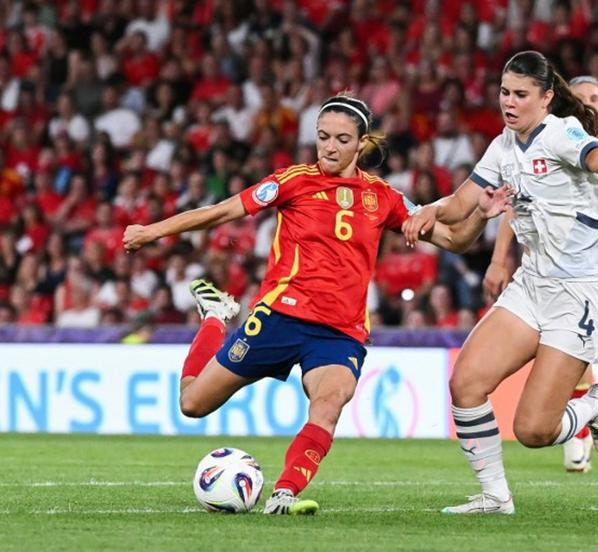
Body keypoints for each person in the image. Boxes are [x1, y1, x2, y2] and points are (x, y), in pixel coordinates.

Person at [122, 94, 510, 515]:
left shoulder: (384, 198)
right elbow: (221, 212)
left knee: (328, 406)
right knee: (192, 404)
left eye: (341, 139)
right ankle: (215, 318)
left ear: (361, 144)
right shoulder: (293, 181)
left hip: (339, 333)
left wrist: (480, 217)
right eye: (323, 137)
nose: (329, 147)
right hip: (279, 318)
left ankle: (284, 493)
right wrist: (150, 232)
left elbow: (454, 240)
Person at [403, 51, 598, 514]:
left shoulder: (562, 134)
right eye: (503, 92)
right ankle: (495, 497)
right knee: (466, 384)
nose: (509, 103)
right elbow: (459, 206)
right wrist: (423, 212)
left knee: (534, 431)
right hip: (532, 282)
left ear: (547, 97)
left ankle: (594, 403)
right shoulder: (502, 146)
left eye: (520, 94)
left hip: (579, 291)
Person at [482, 75, 598, 474]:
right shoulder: (545, 142)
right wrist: (499, 259)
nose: (590, 104)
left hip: (595, 268)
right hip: (543, 268)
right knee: (560, 348)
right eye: (581, 98)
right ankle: (591, 410)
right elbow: (516, 205)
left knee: (571, 347)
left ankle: (580, 431)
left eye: (596, 98)